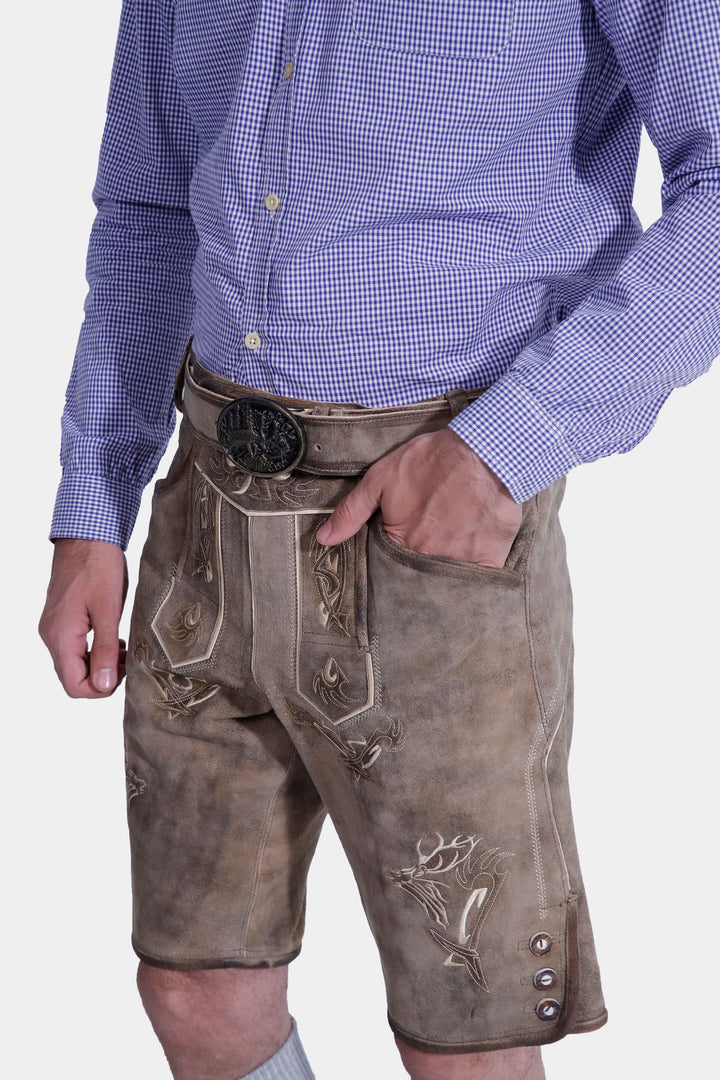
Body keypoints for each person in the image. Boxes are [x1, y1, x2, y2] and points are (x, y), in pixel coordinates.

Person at [39, 3, 719, 1079]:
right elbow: (148, 204)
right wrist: (92, 506)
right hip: (207, 509)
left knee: (464, 1038)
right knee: (193, 986)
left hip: (432, 533)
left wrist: (501, 451)